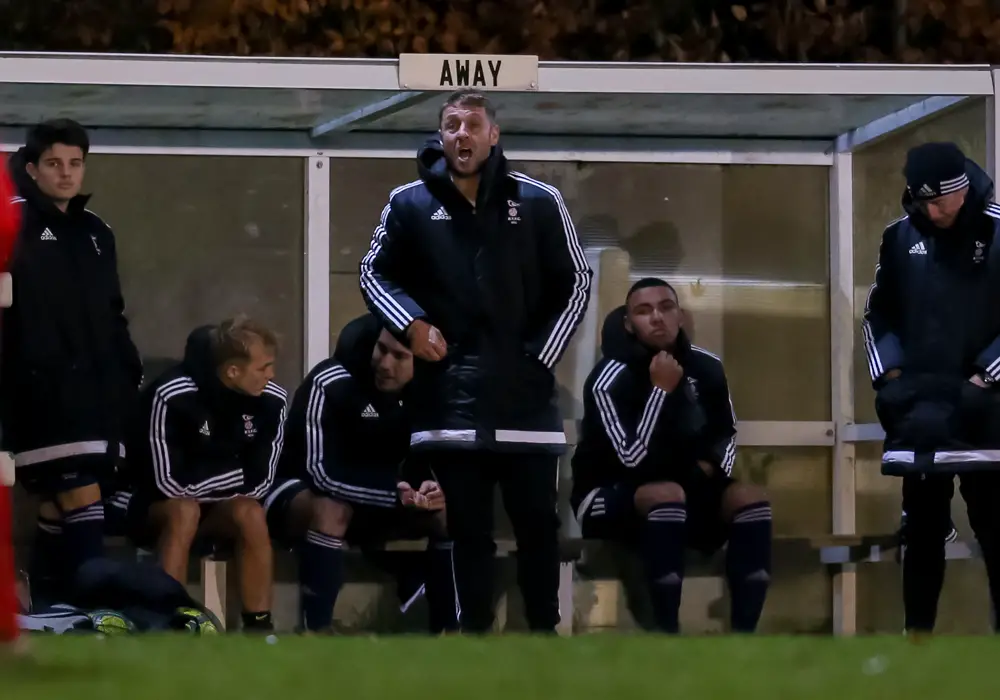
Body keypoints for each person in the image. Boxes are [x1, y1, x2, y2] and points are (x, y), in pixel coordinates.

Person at [359, 88, 593, 633]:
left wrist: (540, 357)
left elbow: (576, 281)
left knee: (537, 524)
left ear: (494, 135)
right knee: (467, 528)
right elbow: (373, 271)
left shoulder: (538, 200)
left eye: (472, 124)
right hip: (449, 400)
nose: (461, 134)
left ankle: (542, 635)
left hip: (526, 398)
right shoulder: (408, 203)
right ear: (441, 137)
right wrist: (413, 326)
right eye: (451, 125)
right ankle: (475, 639)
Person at [571, 278, 772, 634]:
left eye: (666, 307)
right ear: (629, 324)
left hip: (684, 488)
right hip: (608, 494)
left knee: (749, 498)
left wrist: (704, 473)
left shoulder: (707, 367)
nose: (657, 318)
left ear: (680, 315)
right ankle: (666, 634)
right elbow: (632, 459)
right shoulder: (608, 378)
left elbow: (725, 435)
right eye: (644, 311)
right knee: (666, 493)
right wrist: (660, 391)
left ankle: (745, 635)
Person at [0, 119, 143, 604]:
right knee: (79, 493)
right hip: (37, 394)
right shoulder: (12, 222)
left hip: (98, 394)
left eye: (75, 164)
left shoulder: (97, 231)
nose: (66, 174)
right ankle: (95, 607)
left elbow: (113, 311)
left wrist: (127, 370)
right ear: (33, 168)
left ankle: (53, 607)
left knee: (65, 505)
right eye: (55, 164)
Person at [863, 142, 1000, 634]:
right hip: (921, 414)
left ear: (964, 186)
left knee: (993, 527)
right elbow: (879, 314)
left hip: (987, 413)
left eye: (942, 201)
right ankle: (916, 643)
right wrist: (890, 377)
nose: (934, 212)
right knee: (921, 534)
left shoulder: (999, 228)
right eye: (925, 202)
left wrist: (985, 378)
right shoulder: (899, 238)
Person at [266, 314, 458, 634]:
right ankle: (316, 630)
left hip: (379, 500)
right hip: (295, 493)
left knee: (447, 514)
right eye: (381, 350)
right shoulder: (330, 381)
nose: (384, 363)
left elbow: (428, 458)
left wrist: (428, 489)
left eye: (399, 356)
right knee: (331, 509)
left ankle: (449, 630)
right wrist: (390, 493)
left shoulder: (428, 392)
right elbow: (318, 472)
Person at [118, 317, 286, 633]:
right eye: (263, 368)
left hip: (217, 506)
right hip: (152, 505)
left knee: (250, 513)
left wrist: (214, 482)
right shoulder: (173, 394)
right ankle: (171, 619)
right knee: (184, 510)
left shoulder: (272, 400)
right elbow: (165, 481)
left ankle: (259, 626)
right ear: (232, 371)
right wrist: (231, 477)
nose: (272, 375)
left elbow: (261, 481)